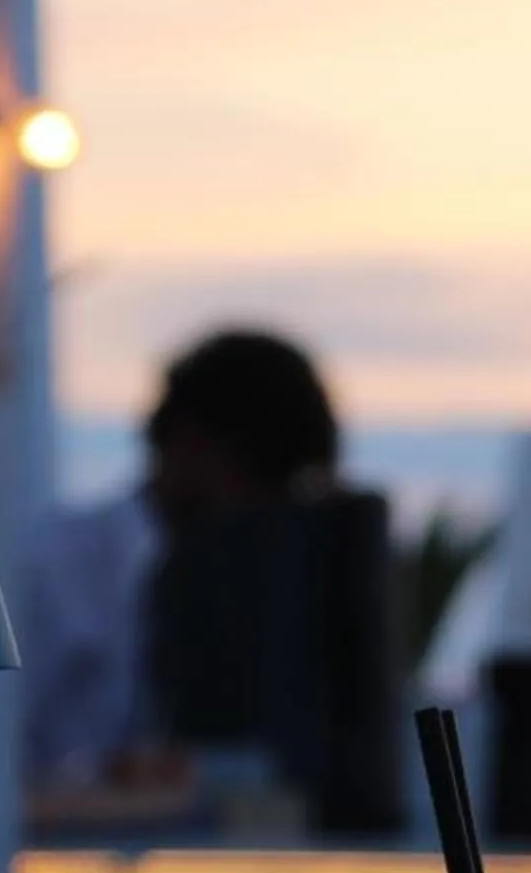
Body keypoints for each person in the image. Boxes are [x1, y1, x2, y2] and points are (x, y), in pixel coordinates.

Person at [22, 329, 403, 834]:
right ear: (188, 440)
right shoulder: (57, 565)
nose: (264, 510)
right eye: (260, 476)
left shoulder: (269, 590)